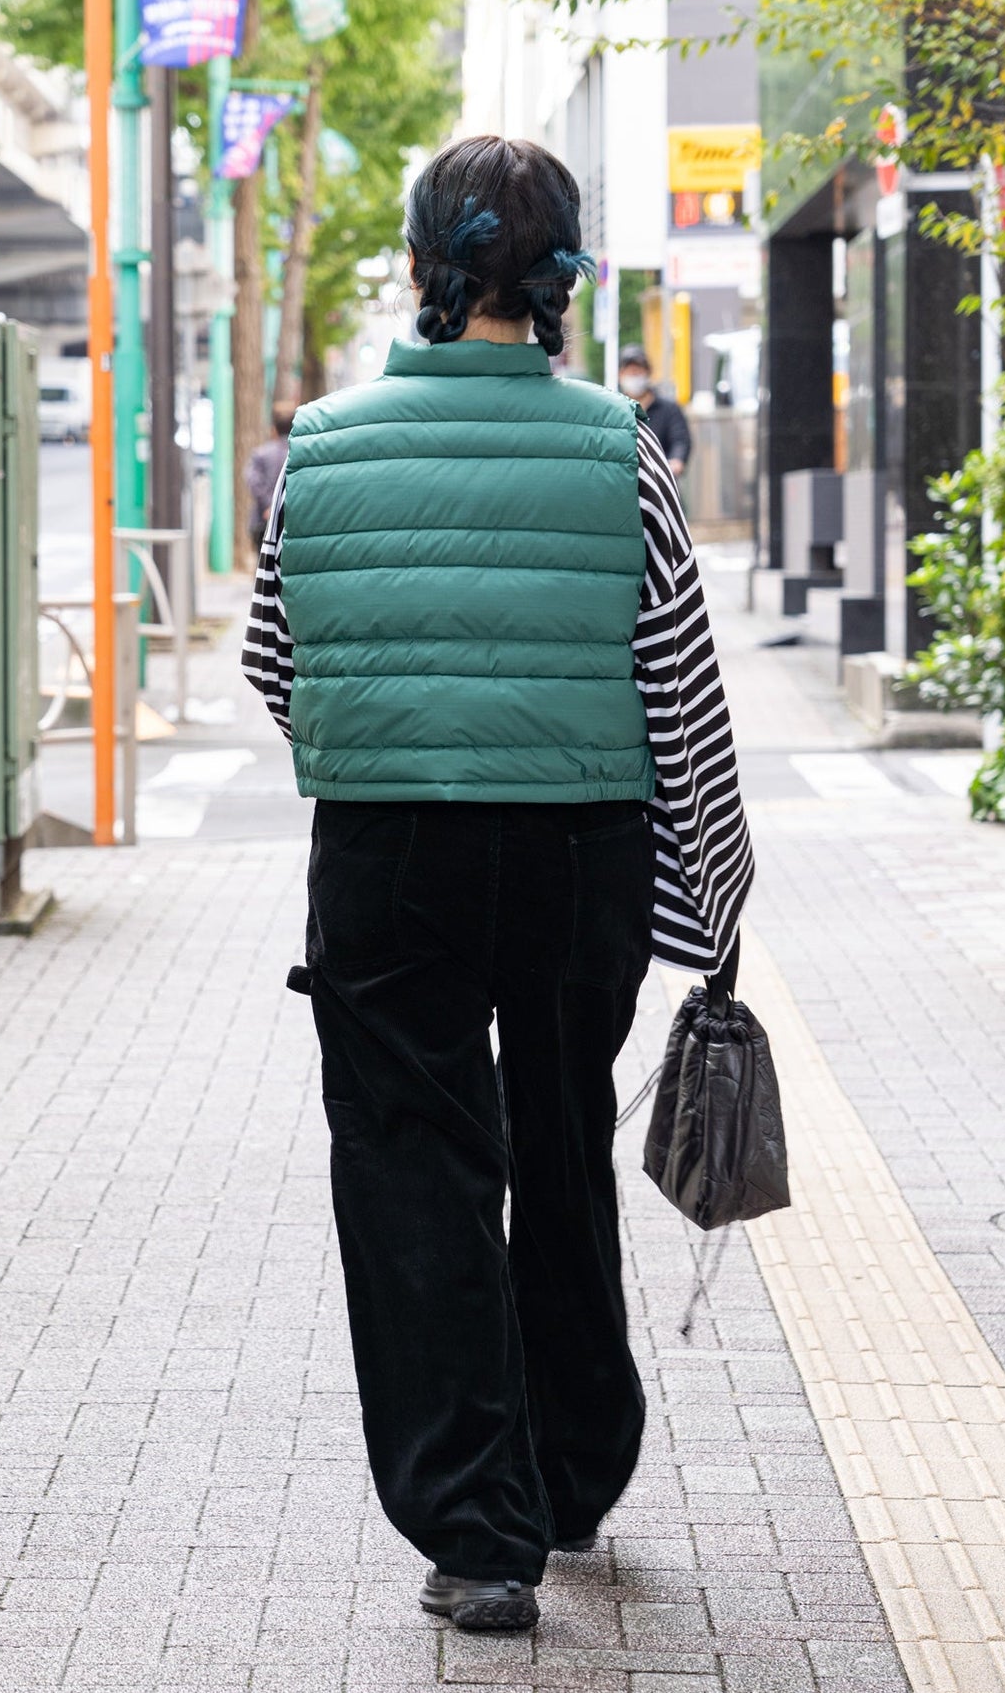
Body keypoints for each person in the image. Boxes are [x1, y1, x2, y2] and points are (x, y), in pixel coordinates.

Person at [242, 136, 752, 1634]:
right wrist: (712, 906)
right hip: (575, 850)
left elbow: (280, 668)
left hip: (385, 852)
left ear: (421, 267)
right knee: (558, 1135)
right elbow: (680, 694)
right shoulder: (620, 453)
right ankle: (575, 1467)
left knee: (413, 1168)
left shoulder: (321, 450)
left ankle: (479, 1535)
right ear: (560, 282)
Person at [618, 341, 692, 480]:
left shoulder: (669, 409)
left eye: (638, 371)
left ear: (647, 372)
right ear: (620, 375)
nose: (634, 376)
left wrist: (676, 461)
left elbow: (680, 440)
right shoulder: (616, 410)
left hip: (661, 479)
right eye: (630, 372)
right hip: (625, 480)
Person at [245, 401, 295, 557]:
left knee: (264, 564)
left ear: (273, 428)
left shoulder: (261, 454)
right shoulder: (300, 452)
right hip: (294, 519)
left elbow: (253, 480)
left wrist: (269, 506)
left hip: (263, 521)